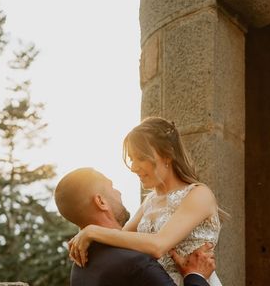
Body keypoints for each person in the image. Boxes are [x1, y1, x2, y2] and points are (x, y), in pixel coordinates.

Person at [68, 117, 223, 286]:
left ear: (167, 155)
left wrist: (92, 231)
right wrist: (88, 238)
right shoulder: (150, 201)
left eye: (140, 158)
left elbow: (158, 245)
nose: (134, 167)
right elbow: (122, 240)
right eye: (131, 159)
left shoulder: (199, 195)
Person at [55, 167, 214, 286]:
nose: (119, 193)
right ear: (101, 202)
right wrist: (196, 275)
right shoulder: (136, 262)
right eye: (112, 187)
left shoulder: (79, 269)